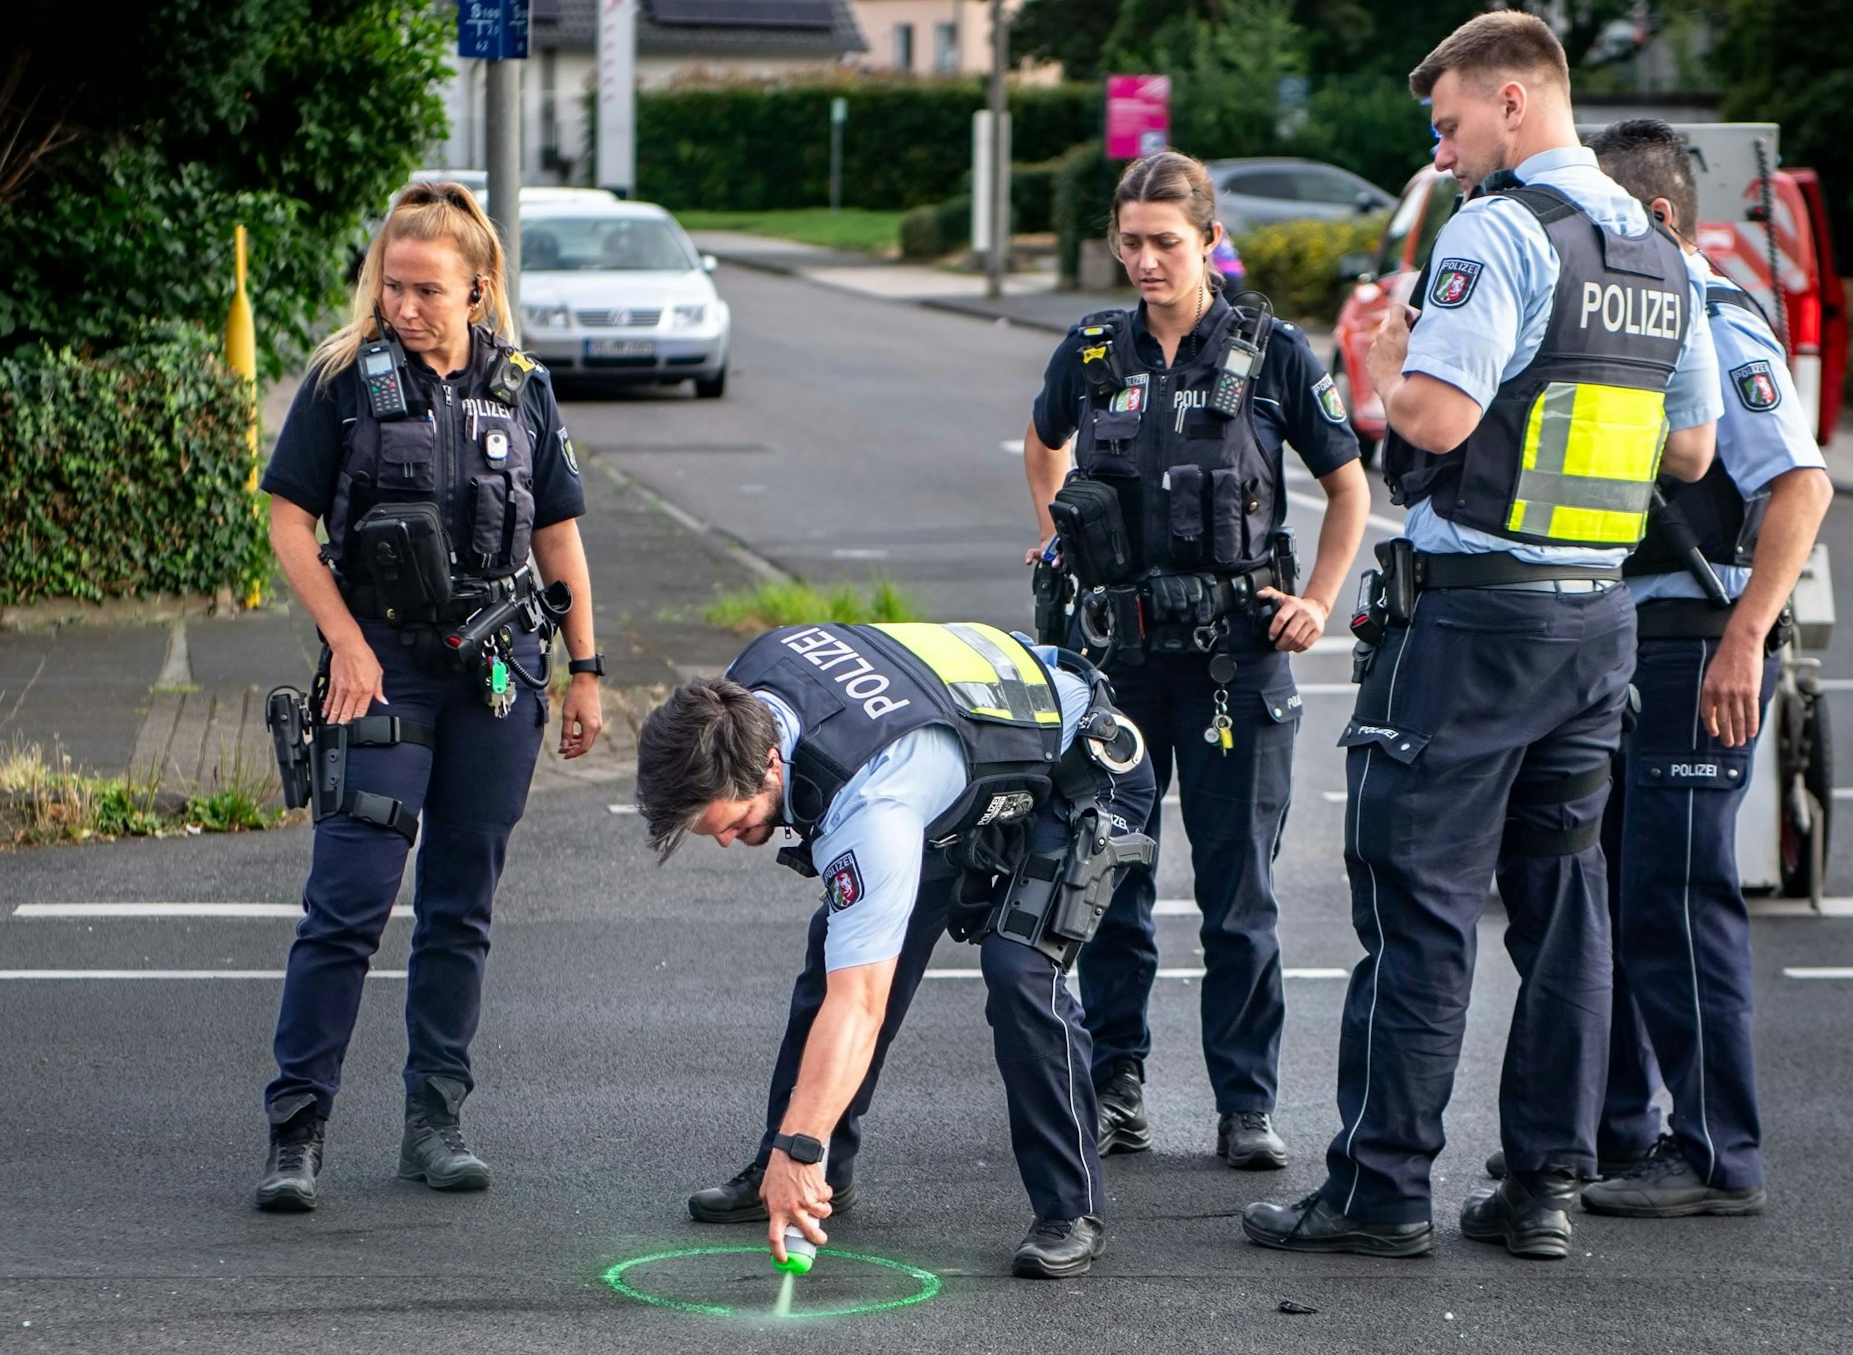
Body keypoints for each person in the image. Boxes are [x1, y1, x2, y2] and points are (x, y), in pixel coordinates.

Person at [1242, 12, 1722, 1261]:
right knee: (1563, 905)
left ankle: (1380, 1188)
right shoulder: (1660, 252)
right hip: (1596, 624)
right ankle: (1543, 1187)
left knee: (1419, 904)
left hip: (1475, 633)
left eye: (1449, 124)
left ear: (1513, 100)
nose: (1445, 153)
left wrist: (1387, 366)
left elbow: (1438, 423)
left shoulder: (1500, 232)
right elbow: (1688, 450)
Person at [254, 180, 605, 1212]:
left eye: (425, 291)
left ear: (479, 291)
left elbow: (558, 536)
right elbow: (286, 522)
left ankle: (436, 1117)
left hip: (494, 677)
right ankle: (295, 1127)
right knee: (346, 906)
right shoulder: (342, 384)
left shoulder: (524, 387)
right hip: (384, 669)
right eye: (390, 286)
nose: (402, 307)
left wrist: (585, 669)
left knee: (459, 908)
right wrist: (347, 645)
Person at [1022, 151, 1370, 1166]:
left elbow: (1348, 487)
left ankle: (1243, 1104)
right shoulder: (1091, 353)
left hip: (1235, 665)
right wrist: (1052, 538)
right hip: (1118, 666)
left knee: (1237, 896)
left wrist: (1316, 602)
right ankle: (1117, 1086)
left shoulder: (1271, 353)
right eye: (1127, 241)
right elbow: (1041, 443)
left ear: (1207, 241)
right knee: (1108, 882)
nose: (1142, 260)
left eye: (1162, 242)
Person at [1511, 118, 1825, 1218]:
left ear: (1650, 216)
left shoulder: (1713, 315)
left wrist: (1744, 638)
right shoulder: (1641, 315)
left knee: (1674, 903)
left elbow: (1798, 485)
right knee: (1597, 893)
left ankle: (1711, 1156)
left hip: (1695, 642)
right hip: (1615, 637)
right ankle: (1617, 1130)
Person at [638, 622, 1157, 1278]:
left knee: (1020, 970)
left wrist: (799, 1146)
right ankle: (810, 1169)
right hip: (965, 774)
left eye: (735, 822)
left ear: (769, 763)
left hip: (1078, 769)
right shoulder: (746, 684)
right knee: (837, 943)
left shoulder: (868, 808)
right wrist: (794, 1149)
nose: (725, 841)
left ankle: (1068, 1210)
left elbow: (859, 1003)